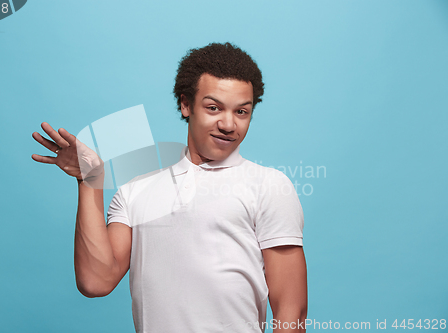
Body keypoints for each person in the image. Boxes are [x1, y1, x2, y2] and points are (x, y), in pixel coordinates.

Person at [32, 42, 307, 333]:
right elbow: (95, 281)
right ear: (185, 104)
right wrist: (90, 181)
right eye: (213, 108)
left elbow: (292, 311)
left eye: (241, 112)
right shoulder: (135, 191)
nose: (229, 124)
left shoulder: (270, 186)